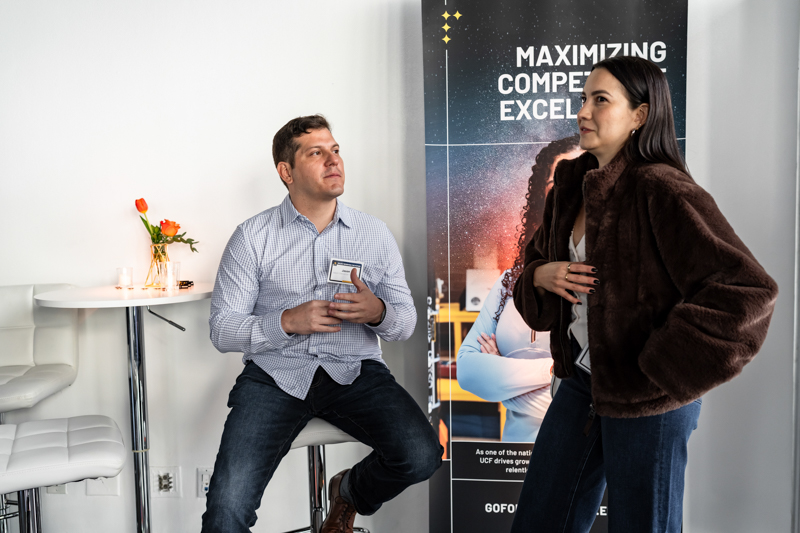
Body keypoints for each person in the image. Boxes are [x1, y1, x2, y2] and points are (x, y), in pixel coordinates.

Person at [510, 56, 778, 533]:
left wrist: (658, 368)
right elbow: (531, 272)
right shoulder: (569, 189)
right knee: (539, 521)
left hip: (647, 397)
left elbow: (748, 291)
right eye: (583, 99)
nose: (583, 112)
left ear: (640, 115)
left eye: (600, 100)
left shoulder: (663, 188)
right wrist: (539, 275)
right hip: (582, 384)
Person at [202, 115, 442, 533]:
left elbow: (404, 324)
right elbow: (222, 329)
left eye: (335, 150)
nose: (333, 161)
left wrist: (378, 312)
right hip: (274, 375)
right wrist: (286, 322)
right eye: (316, 153)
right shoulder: (252, 236)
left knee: (421, 455)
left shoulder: (373, 234)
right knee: (227, 510)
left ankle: (350, 490)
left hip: (355, 371)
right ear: (286, 172)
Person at [457, 136, 582, 442]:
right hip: (509, 459)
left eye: (583, 178)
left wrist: (503, 381)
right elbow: (468, 371)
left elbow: (591, 399)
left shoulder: (595, 280)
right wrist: (553, 372)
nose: (569, 190)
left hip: (575, 457)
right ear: (542, 193)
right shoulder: (510, 282)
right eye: (557, 180)